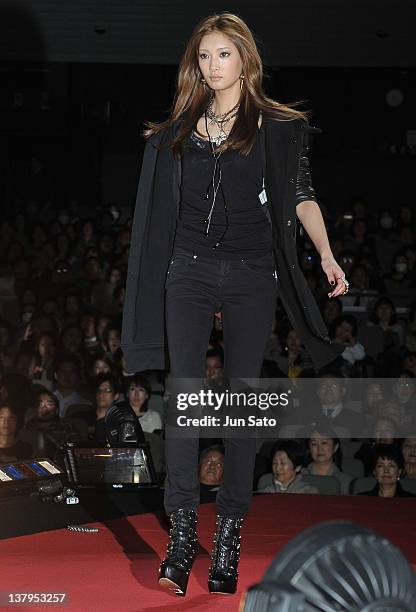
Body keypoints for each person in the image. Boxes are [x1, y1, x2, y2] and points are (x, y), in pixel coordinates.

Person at [121, 13, 347, 596]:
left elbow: (300, 195)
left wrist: (325, 254)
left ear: (245, 60)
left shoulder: (276, 127)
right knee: (189, 398)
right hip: (188, 272)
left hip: (251, 274)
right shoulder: (179, 129)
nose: (211, 66)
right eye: (203, 56)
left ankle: (227, 537)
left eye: (222, 54)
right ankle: (178, 537)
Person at [302, 422, 353, 494]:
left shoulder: (346, 482)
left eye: (324, 443)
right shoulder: (299, 477)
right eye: (314, 444)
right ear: (309, 449)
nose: (319, 449)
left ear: (335, 447)